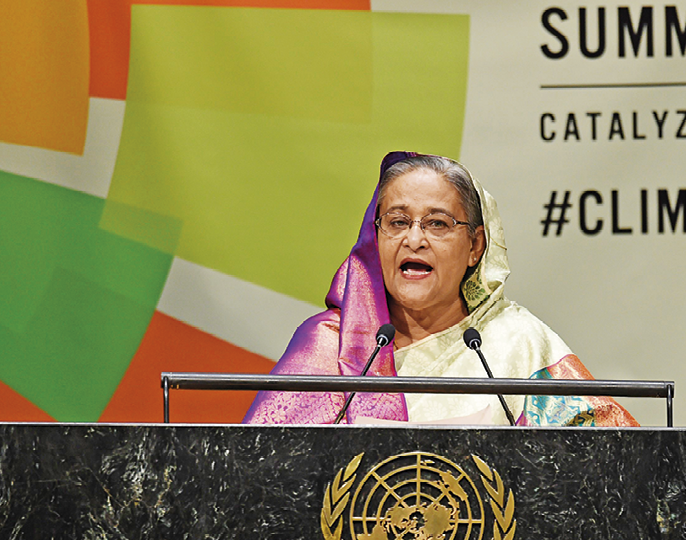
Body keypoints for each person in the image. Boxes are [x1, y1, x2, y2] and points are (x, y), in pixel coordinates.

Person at [243, 152, 637, 427]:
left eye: (437, 224)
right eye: (397, 222)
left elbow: (613, 467)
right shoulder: (332, 347)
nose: (414, 240)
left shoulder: (516, 343)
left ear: (475, 247)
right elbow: (257, 476)